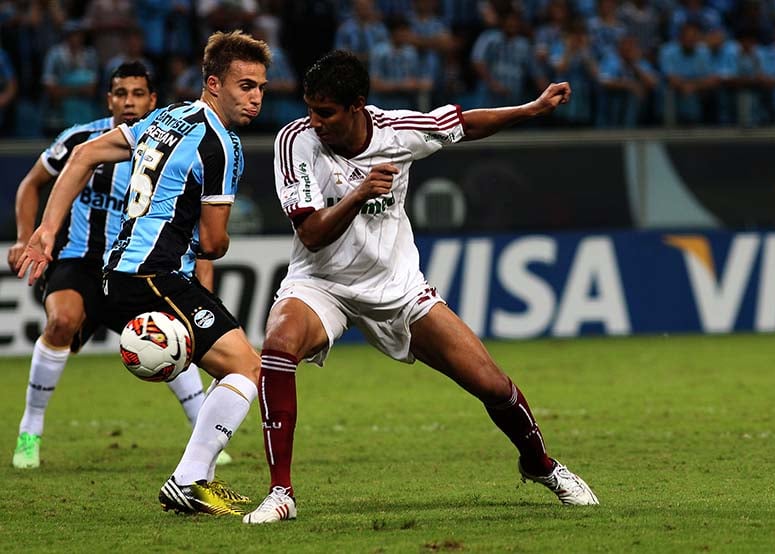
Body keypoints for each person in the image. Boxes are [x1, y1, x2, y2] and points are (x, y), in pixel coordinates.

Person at [242, 49, 598, 525]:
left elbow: (464, 123)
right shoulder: (296, 141)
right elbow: (310, 233)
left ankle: (541, 465)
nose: (314, 121)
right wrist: (360, 192)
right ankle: (280, 493)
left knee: (491, 383)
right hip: (322, 282)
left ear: (357, 106)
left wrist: (529, 109)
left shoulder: (397, 131)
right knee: (279, 345)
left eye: (324, 111)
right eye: (310, 109)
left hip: (398, 287)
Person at [16, 31, 271, 517]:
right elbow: (215, 243)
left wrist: (48, 228)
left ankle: (199, 477)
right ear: (214, 84)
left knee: (231, 364)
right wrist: (191, 228)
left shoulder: (165, 117)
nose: (256, 97)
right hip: (155, 273)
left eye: (261, 86)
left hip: (122, 270)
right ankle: (188, 480)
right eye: (245, 86)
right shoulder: (222, 145)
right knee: (247, 368)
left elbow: (85, 155)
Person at [8, 61, 232, 470]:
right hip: (82, 262)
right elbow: (30, 185)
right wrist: (27, 236)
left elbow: (195, 228)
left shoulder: (173, 146)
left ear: (152, 100)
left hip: (141, 267)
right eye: (120, 93)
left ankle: (201, 426)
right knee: (61, 322)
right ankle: (30, 429)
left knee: (174, 340)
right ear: (109, 98)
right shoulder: (82, 138)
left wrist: (202, 275)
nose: (129, 101)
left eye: (137, 94)